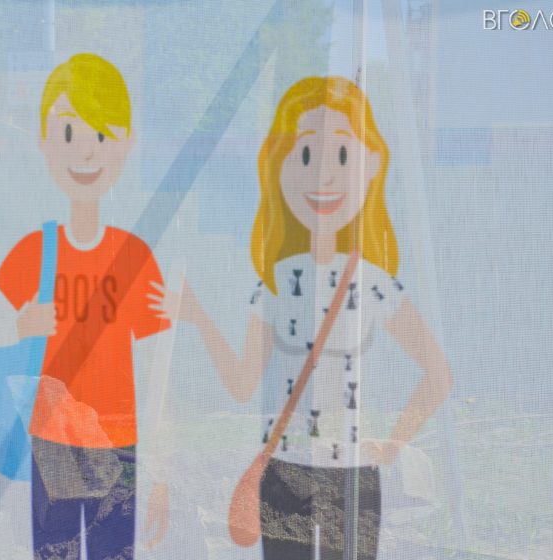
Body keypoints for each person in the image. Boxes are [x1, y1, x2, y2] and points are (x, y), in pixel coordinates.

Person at [151, 76, 453, 560]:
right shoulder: (274, 284)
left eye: (342, 156)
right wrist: (201, 320)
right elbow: (242, 385)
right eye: (307, 155)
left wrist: (392, 446)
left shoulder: (371, 283)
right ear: (279, 166)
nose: (323, 177)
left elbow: (438, 374)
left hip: (351, 476)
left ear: (372, 165)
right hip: (285, 471)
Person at [0, 53, 170, 560]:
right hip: (53, 438)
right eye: (68, 133)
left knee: (112, 551)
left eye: (100, 135)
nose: (85, 151)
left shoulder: (134, 257)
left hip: (117, 437)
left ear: (125, 143)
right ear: (45, 142)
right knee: (56, 552)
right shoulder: (33, 252)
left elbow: (159, 360)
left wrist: (162, 462)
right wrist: (21, 324)